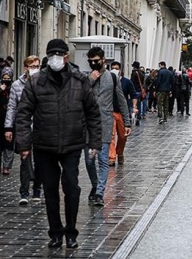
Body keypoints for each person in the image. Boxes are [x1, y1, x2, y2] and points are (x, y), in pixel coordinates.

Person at [15, 39, 104, 249]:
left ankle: (71, 231)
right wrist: (24, 145)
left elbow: (93, 113)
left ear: (66, 57)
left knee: (72, 187)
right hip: (44, 144)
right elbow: (23, 114)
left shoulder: (79, 80)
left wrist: (94, 142)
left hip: (72, 143)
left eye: (59, 54)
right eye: (51, 54)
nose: (55, 58)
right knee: (50, 189)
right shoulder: (36, 81)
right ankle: (55, 232)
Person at [82, 47, 127, 205]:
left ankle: (100, 192)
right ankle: (95, 185)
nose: (93, 63)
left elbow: (121, 100)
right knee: (89, 161)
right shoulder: (85, 78)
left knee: (102, 159)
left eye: (96, 61)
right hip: (88, 125)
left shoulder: (113, 78)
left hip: (106, 123)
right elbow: (79, 95)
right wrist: (90, 80)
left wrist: (127, 121)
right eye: (90, 61)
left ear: (103, 60)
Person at [4, 56, 43, 205]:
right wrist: (8, 127)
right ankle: (24, 192)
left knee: (40, 160)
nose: (36, 69)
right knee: (25, 158)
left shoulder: (43, 83)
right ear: (26, 68)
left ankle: (37, 190)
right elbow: (12, 107)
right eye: (33, 66)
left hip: (40, 127)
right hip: (23, 126)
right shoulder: (16, 85)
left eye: (37, 66)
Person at [108, 60, 136, 168]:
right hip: (110, 112)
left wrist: (133, 108)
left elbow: (130, 97)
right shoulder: (107, 82)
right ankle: (111, 157)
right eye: (113, 68)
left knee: (122, 136)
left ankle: (119, 153)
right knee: (111, 136)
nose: (115, 70)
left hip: (121, 112)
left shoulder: (126, 82)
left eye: (117, 68)